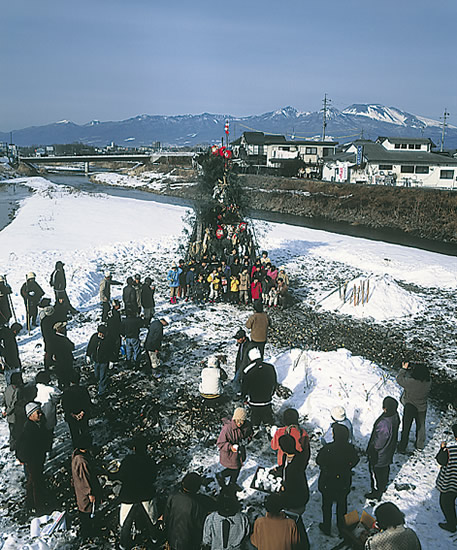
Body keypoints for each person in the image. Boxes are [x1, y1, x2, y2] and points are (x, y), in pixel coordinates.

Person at [111, 435, 158, 549]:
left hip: (129, 496)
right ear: (146, 448)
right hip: (146, 494)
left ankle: (123, 545)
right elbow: (153, 477)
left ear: (134, 448)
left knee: (126, 522)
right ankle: (154, 540)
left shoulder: (127, 461)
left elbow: (121, 477)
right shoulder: (150, 461)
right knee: (151, 519)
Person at [316, 424, 359, 536]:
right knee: (342, 505)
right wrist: (348, 466)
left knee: (326, 505)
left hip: (328, 482)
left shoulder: (328, 448)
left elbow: (318, 460)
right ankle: (341, 527)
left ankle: (326, 526)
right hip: (343, 481)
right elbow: (356, 459)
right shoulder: (350, 448)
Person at [164, 472, 214, 550]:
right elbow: (202, 525)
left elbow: (166, 518)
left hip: (173, 539)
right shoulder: (199, 503)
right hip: (189, 543)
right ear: (197, 487)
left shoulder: (173, 496)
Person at [16, 402, 48, 512]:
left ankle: (29, 503)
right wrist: (22, 458)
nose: (40, 414)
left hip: (38, 459)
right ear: (30, 415)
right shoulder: (28, 429)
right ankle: (39, 507)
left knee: (32, 482)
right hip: (33, 460)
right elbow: (22, 445)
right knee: (36, 483)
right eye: (37, 413)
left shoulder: (39, 425)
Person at [366, 396, 400, 500]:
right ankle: (383, 485)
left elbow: (379, 442)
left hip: (380, 454)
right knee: (385, 469)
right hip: (389, 450)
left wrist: (372, 449)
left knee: (376, 471)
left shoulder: (384, 423)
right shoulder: (395, 416)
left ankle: (377, 491)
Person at [71, 434, 102, 540]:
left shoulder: (76, 455)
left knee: (84, 510)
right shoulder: (82, 461)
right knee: (87, 511)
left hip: (79, 489)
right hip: (84, 492)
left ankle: (87, 531)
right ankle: (87, 533)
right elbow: (85, 479)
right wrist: (90, 493)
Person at [397, 361, 431, 453]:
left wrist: (404, 369)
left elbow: (399, 379)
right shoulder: (428, 382)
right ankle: (419, 445)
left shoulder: (411, 382)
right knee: (421, 427)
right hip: (422, 407)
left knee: (406, 428)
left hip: (410, 406)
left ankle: (402, 446)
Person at [216, 407, 253, 489]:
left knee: (238, 466)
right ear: (234, 419)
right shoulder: (227, 429)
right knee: (235, 468)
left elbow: (250, 434)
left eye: (242, 420)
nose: (240, 423)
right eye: (238, 420)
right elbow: (220, 443)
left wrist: (246, 441)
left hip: (240, 452)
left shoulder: (247, 425)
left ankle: (232, 483)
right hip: (229, 454)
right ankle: (221, 475)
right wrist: (230, 447)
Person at [241, 347, 277, 426]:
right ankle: (269, 428)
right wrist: (271, 393)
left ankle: (255, 428)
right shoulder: (270, 367)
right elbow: (274, 383)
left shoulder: (247, 370)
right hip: (267, 399)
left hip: (254, 401)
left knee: (255, 418)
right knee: (267, 417)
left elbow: (244, 387)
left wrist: (243, 397)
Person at [275, 434, 309, 514]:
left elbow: (293, 483)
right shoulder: (286, 456)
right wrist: (278, 469)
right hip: (291, 494)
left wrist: (283, 488)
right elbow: (284, 468)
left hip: (296, 499)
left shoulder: (297, 464)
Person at [435, 423, 457, 533]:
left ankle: (452, 524)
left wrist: (442, 449)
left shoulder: (450, 451)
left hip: (451, 483)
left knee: (446, 503)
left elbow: (440, 460)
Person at [62, 371, 92, 448]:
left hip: (71, 417)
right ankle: (86, 448)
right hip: (83, 415)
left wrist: (73, 414)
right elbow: (87, 402)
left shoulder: (66, 392)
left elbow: (65, 405)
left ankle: (77, 449)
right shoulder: (83, 390)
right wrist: (82, 412)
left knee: (75, 434)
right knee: (84, 432)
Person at [35, 370, 62, 452]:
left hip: (36, 414)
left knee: (39, 434)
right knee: (49, 434)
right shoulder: (50, 389)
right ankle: (49, 450)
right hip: (48, 414)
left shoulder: (34, 387)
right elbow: (58, 395)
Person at [86, 324, 111, 397]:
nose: (101, 335)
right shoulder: (94, 338)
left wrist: (111, 360)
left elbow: (111, 350)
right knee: (96, 374)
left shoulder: (108, 340)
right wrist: (88, 355)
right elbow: (90, 346)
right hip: (96, 360)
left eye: (103, 333)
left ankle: (101, 391)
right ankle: (97, 384)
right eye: (100, 333)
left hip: (104, 361)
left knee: (102, 376)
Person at [2, 371, 24, 451]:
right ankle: (16, 447)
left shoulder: (7, 388)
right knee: (17, 432)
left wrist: (4, 411)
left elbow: (4, 401)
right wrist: (7, 411)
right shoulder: (17, 390)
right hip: (15, 415)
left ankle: (12, 446)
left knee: (12, 432)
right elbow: (14, 404)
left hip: (9, 417)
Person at [51, 321, 75, 389]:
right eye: (63, 328)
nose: (65, 329)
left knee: (61, 376)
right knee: (66, 375)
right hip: (66, 360)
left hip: (59, 360)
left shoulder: (53, 338)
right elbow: (72, 346)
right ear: (60, 329)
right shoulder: (63, 339)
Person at [232, 329, 250, 393]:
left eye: (238, 339)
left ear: (243, 338)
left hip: (244, 366)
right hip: (240, 365)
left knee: (236, 381)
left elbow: (246, 359)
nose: (237, 340)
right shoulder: (242, 344)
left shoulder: (248, 345)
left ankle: (238, 393)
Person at [40, 305, 57, 369]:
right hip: (49, 337)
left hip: (47, 337)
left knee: (50, 350)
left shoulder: (44, 320)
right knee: (49, 351)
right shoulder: (47, 321)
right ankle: (47, 364)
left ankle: (49, 362)